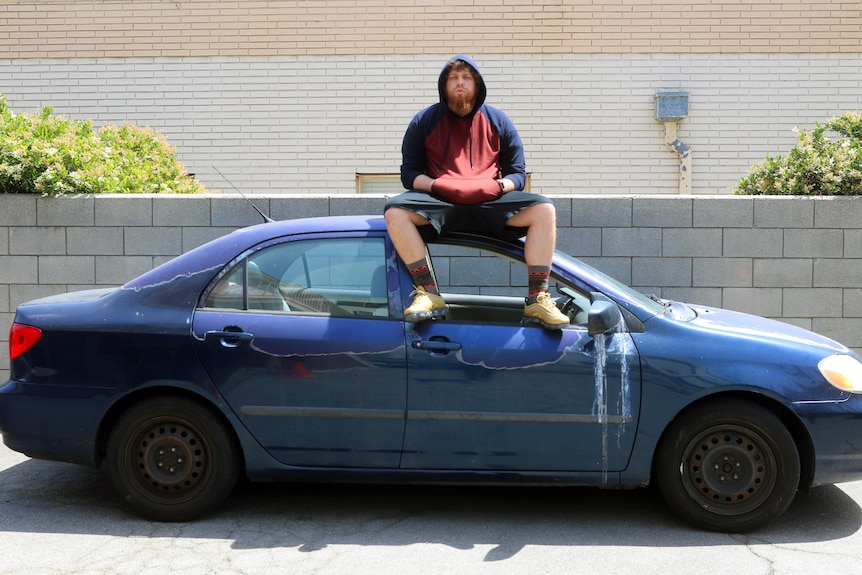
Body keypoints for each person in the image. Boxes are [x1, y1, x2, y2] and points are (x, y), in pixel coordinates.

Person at [384, 54, 569, 330]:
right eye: (453, 78)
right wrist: (439, 185)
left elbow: (518, 173)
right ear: (443, 86)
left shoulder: (499, 120)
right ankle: (428, 293)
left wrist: (497, 187)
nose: (460, 83)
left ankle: (537, 299)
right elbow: (409, 174)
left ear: (477, 84)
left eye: (466, 77)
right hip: (441, 203)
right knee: (395, 211)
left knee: (544, 209)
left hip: (489, 202)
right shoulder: (424, 121)